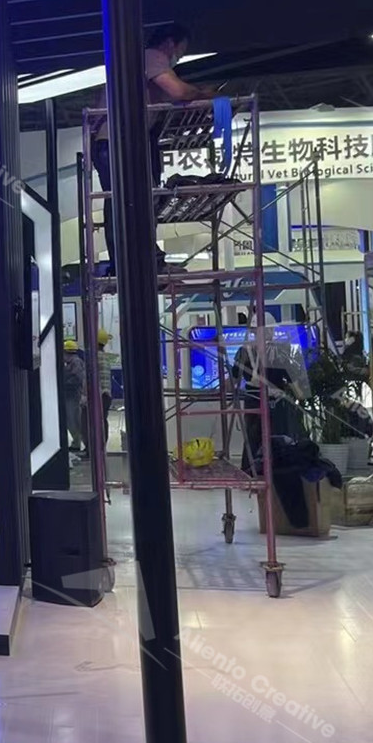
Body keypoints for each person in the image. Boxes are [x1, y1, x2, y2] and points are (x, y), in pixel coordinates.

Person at [92, 24, 214, 270]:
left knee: (122, 201)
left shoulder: (140, 68)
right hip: (117, 142)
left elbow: (172, 96)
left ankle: (133, 260)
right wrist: (203, 94)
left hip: (115, 142)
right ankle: (134, 262)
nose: (178, 57)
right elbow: (178, 91)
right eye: (180, 51)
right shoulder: (152, 57)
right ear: (169, 43)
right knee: (126, 201)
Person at [63, 338, 88, 459]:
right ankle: (76, 442)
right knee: (71, 420)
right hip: (70, 395)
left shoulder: (75, 363)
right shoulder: (71, 363)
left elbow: (77, 379)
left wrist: (64, 383)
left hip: (73, 396)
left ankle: (77, 443)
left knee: (73, 420)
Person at [94, 329, 118, 453]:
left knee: (98, 422)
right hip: (106, 395)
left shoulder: (95, 357)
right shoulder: (104, 356)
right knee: (103, 420)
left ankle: (97, 448)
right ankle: (101, 447)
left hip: (100, 395)